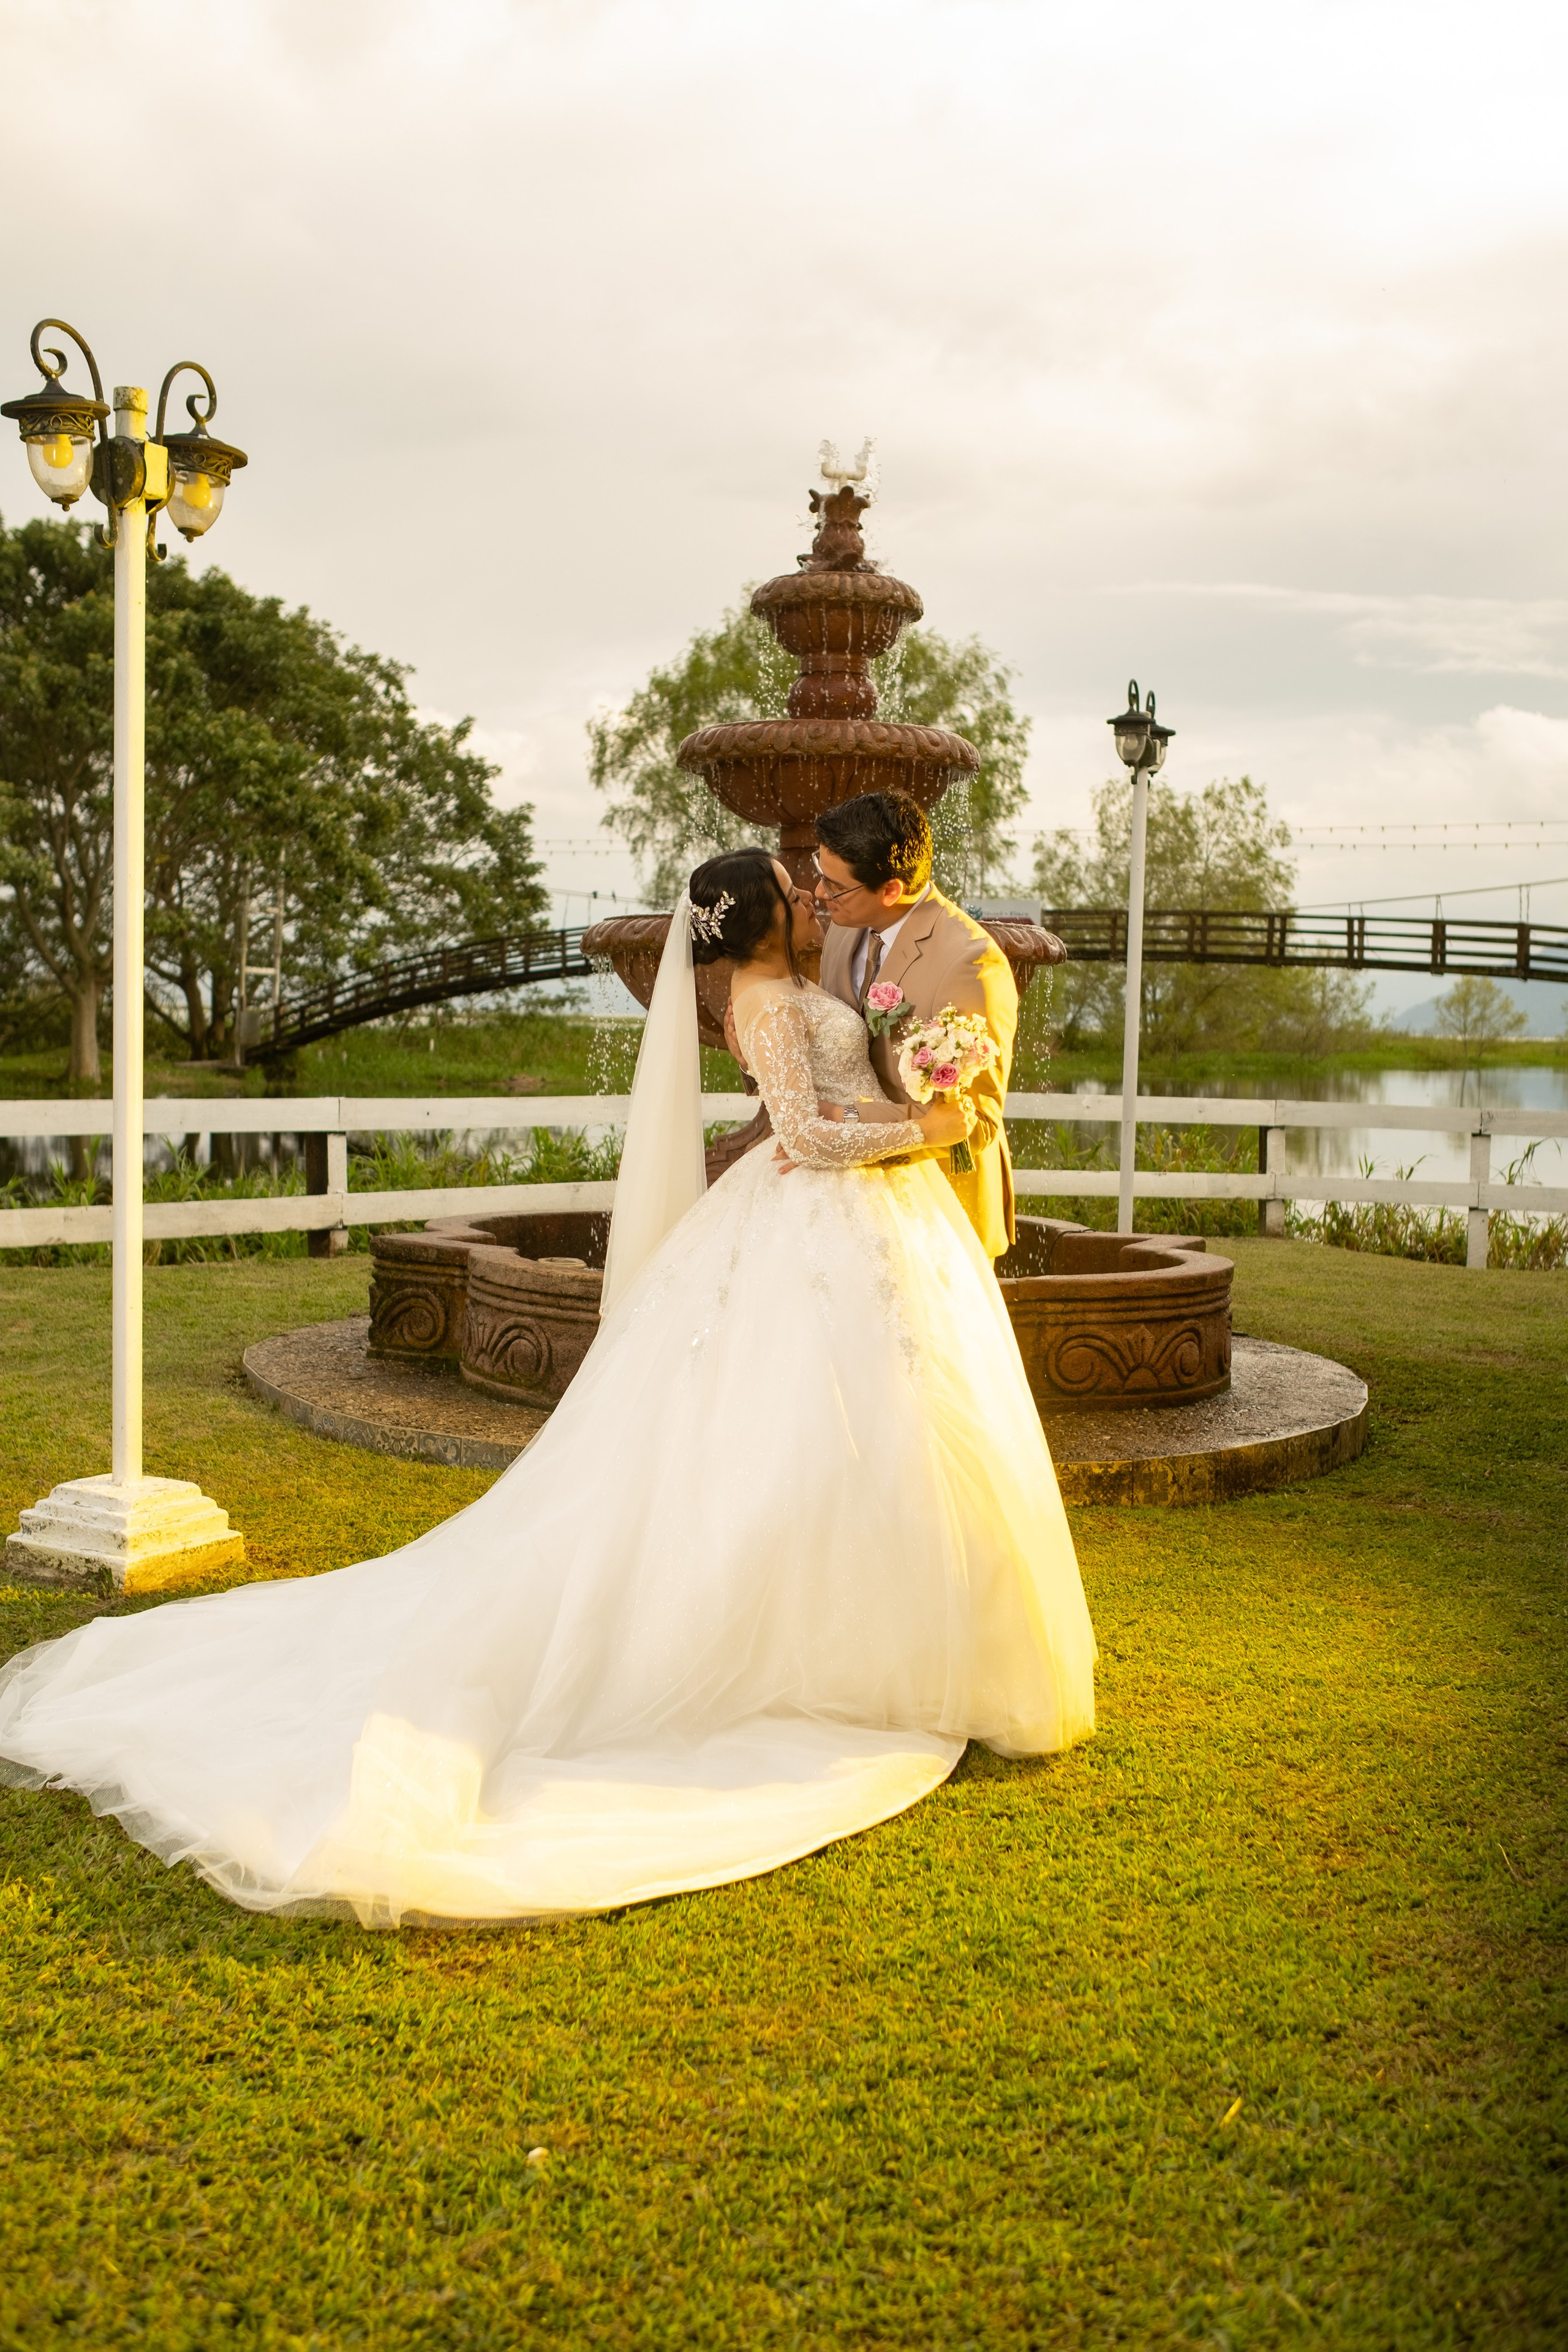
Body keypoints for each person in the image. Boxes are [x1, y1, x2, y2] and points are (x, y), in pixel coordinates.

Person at [0, 848, 1095, 1928]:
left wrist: (915, 1089)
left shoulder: (803, 980)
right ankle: (828, 1662)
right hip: (814, 1212)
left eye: (820, 885)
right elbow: (804, 1135)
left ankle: (910, 1642)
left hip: (860, 1224)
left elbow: (827, 1101)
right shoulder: (765, 1002)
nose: (813, 897)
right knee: (786, 1435)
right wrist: (928, 1127)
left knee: (871, 1432)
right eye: (794, 887)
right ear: (765, 915)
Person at [814, 789, 1020, 1260]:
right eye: (819, 872)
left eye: (835, 886)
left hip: (939, 1215)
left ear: (891, 889)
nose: (821, 894)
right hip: (852, 1207)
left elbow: (974, 1124)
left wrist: (845, 1119)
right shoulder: (843, 928)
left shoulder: (971, 964)